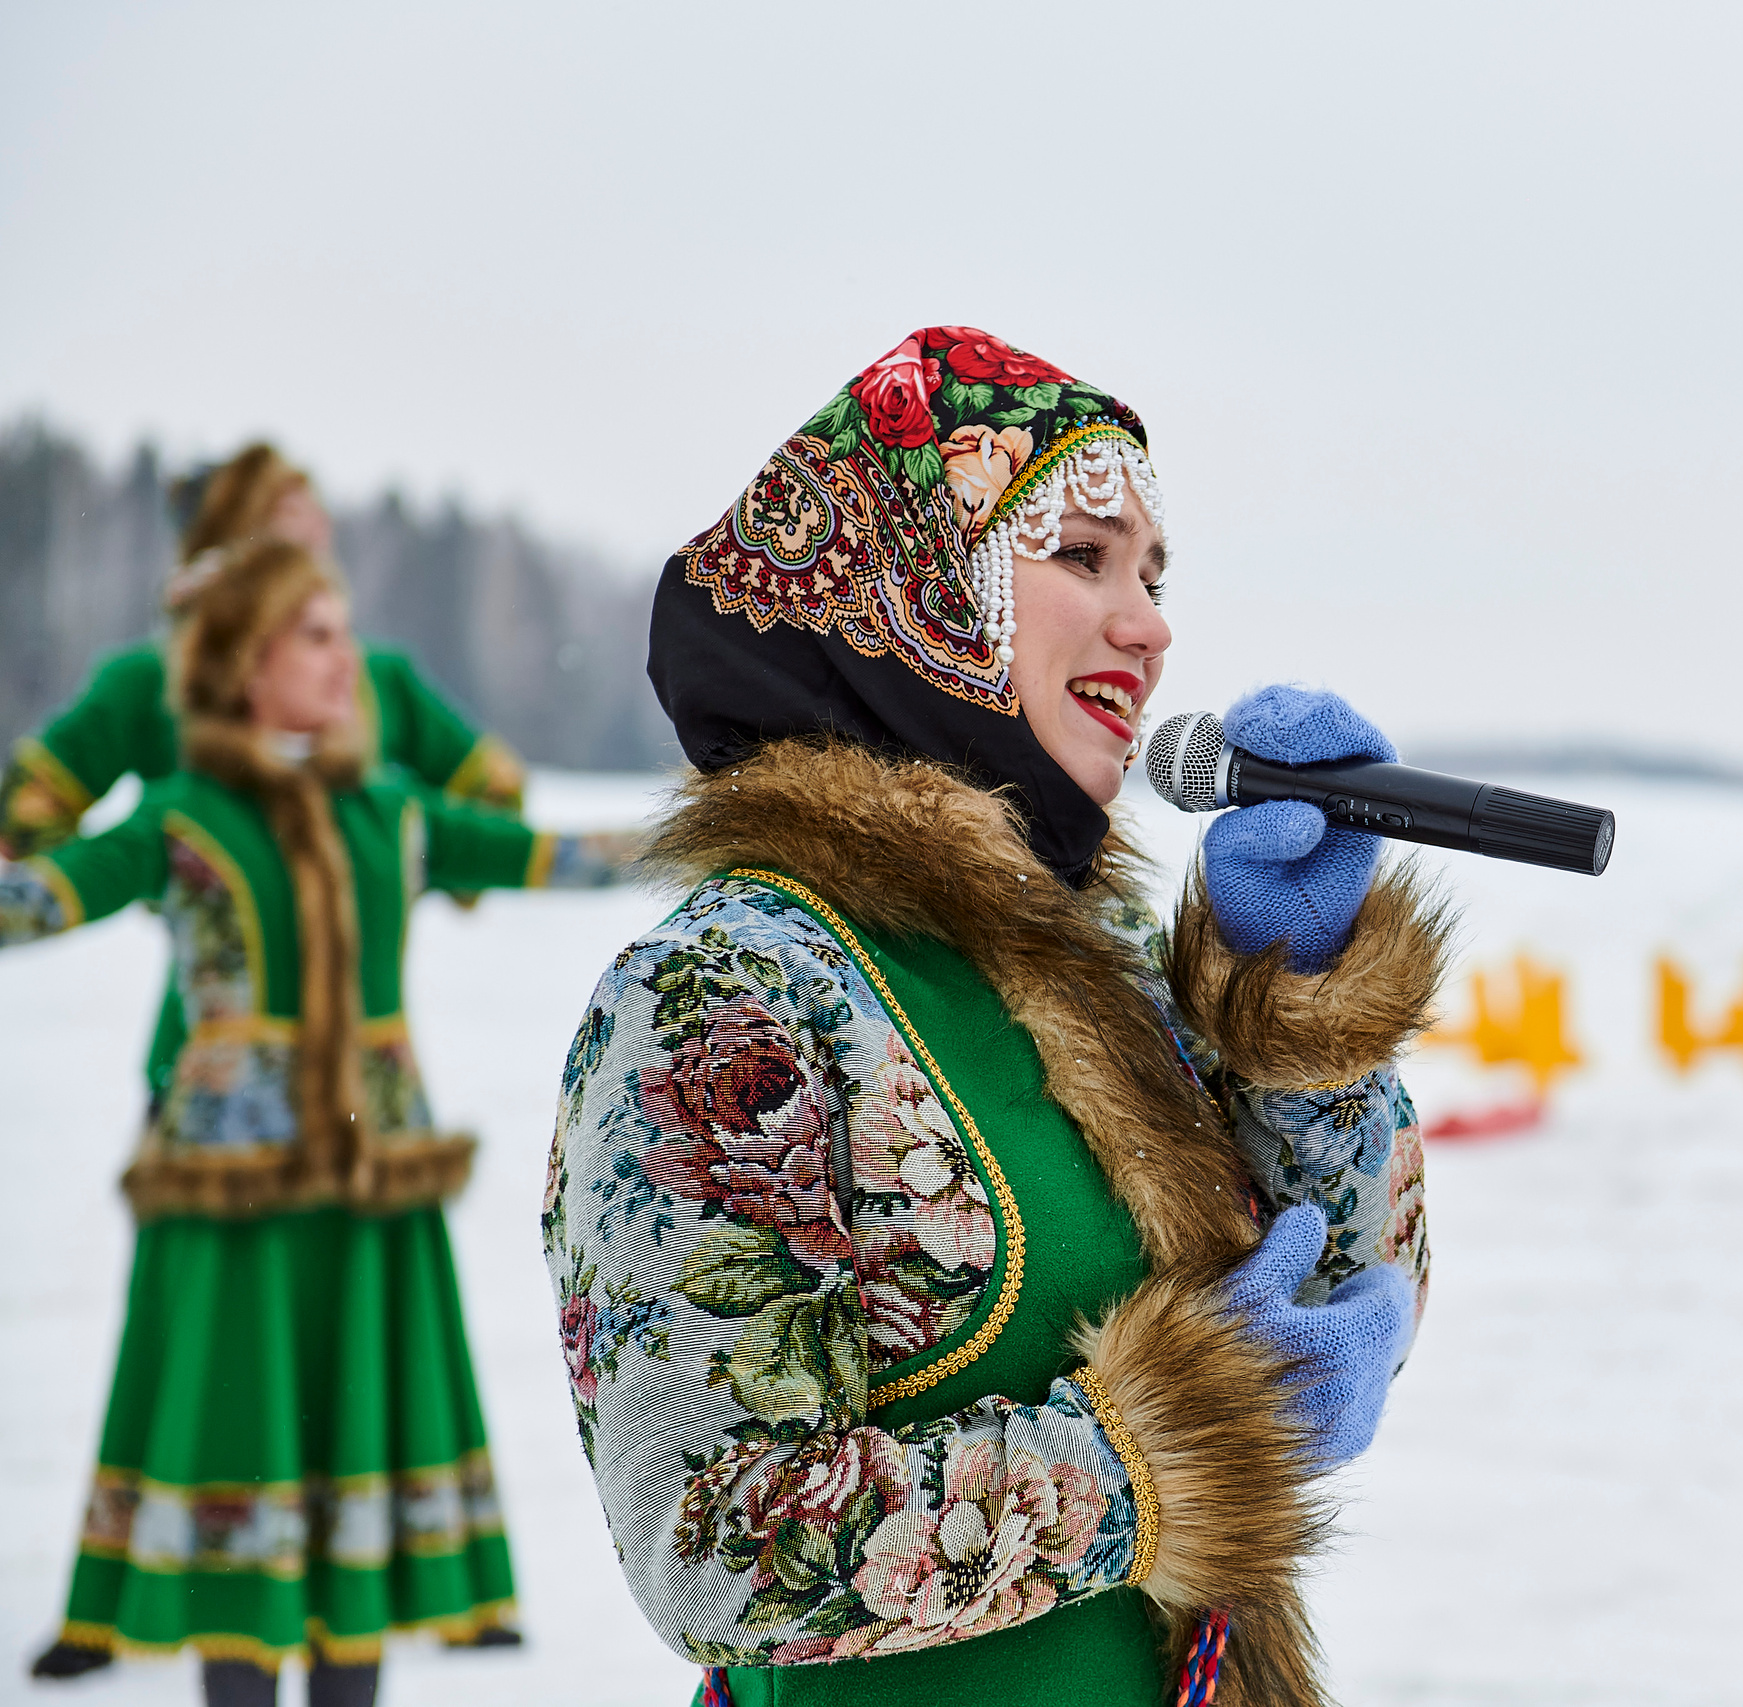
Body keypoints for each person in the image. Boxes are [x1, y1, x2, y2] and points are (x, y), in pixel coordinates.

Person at [545, 326, 1443, 1706]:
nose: (1147, 622)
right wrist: (1149, 1452)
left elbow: (1347, 1289)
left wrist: (1294, 997)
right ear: (915, 586)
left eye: (1153, 573)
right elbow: (714, 1540)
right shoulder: (724, 995)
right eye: (1082, 557)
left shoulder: (1114, 964)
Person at [1, 539, 630, 1702]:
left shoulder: (388, 811)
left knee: (358, 1467)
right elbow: (37, 899)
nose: (355, 662)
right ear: (247, 662)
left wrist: (741, 824)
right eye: (321, 637)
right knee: (238, 1452)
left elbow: (558, 854)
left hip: (371, 1195)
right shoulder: (183, 817)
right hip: (228, 1206)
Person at [0, 442, 529, 1119]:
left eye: (317, 512)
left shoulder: (373, 677)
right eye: (287, 511)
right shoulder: (150, 679)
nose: (316, 529)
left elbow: (497, 792)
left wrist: (386, 871)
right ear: (232, 535)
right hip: (210, 1057)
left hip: (366, 1077)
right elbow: (30, 803)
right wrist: (162, 877)